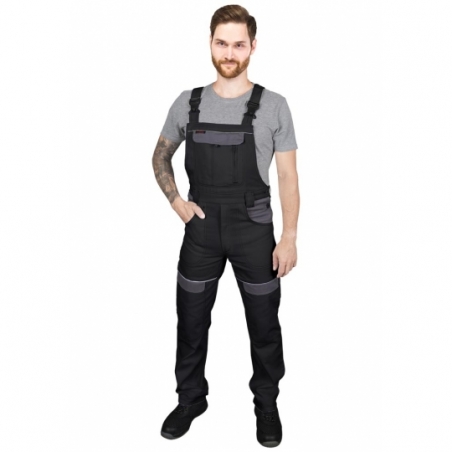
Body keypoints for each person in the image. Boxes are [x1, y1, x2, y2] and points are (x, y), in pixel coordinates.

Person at [152, 4, 299, 448]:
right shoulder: (188, 101)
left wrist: (289, 237)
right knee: (191, 320)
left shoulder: (274, 106)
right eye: (222, 43)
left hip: (254, 229)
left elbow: (288, 176)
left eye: (238, 44)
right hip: (200, 230)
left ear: (252, 46)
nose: (229, 53)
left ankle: (266, 403)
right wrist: (177, 203)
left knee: (264, 325)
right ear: (211, 44)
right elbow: (160, 156)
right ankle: (190, 399)